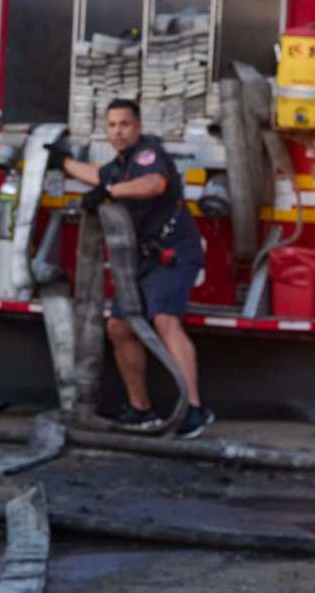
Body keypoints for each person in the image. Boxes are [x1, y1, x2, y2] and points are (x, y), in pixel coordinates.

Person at [54, 98, 215, 439]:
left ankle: (195, 411)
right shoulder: (120, 164)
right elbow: (97, 175)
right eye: (112, 125)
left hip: (174, 255)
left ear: (138, 127)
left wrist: (108, 191)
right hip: (144, 260)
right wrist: (64, 162)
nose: (118, 131)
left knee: (164, 320)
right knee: (119, 327)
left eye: (124, 124)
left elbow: (153, 185)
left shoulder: (148, 155)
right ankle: (140, 410)